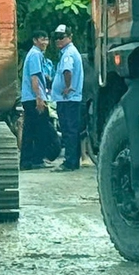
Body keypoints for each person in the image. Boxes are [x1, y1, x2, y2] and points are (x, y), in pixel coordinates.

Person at [18, 28, 57, 170]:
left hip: (29, 97)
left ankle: (28, 160)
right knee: (42, 129)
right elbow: (35, 78)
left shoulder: (34, 54)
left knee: (30, 129)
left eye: (46, 39)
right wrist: (39, 98)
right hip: (34, 98)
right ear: (35, 40)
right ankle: (38, 159)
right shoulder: (35, 55)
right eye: (42, 39)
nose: (45, 42)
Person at [51, 24, 86, 171]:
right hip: (70, 99)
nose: (58, 40)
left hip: (68, 99)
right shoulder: (68, 52)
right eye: (56, 37)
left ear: (70, 37)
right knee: (72, 130)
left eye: (61, 37)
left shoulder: (68, 54)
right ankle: (73, 161)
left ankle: (70, 162)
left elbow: (67, 71)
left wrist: (67, 86)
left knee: (69, 130)